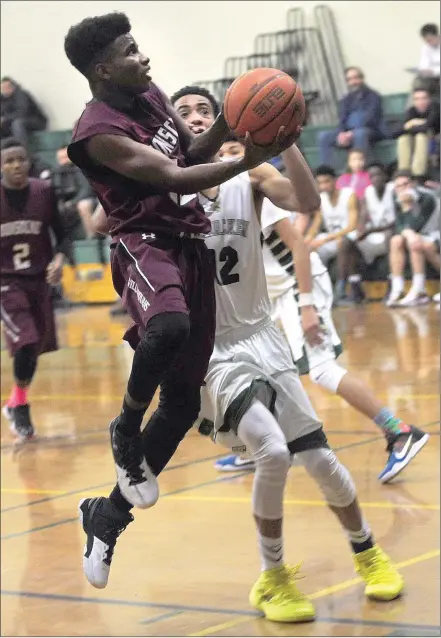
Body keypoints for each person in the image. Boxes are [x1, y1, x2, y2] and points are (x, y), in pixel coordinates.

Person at [82, 86, 404, 621]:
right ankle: (273, 578)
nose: (194, 117)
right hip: (210, 348)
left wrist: (286, 140)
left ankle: (368, 553)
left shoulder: (246, 177)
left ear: (225, 121)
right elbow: (99, 222)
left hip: (263, 335)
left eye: (204, 111)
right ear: (172, 130)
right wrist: (144, 169)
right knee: (273, 453)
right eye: (182, 113)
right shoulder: (163, 188)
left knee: (321, 459)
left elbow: (307, 202)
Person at [64, 12, 292, 533]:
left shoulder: (149, 95)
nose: (143, 57)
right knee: (169, 325)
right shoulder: (97, 133)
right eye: (129, 52)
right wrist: (249, 156)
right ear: (102, 69)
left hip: (190, 241)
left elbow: (189, 150)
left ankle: (106, 520)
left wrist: (231, 120)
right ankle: (125, 424)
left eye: (139, 47)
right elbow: (174, 174)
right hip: (144, 241)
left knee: (183, 404)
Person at [211, 139, 429, 483]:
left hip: (300, 283)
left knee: (323, 369)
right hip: (272, 295)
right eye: (224, 151)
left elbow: (298, 244)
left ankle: (400, 431)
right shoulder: (218, 196)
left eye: (237, 150)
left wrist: (307, 304)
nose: (229, 156)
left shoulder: (252, 187)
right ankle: (260, 446)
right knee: (261, 370)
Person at [1, 137, 67, 438]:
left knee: (35, 347)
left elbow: (62, 234)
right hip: (6, 282)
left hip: (39, 280)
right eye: (9, 161)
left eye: (20, 159)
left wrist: (59, 260)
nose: (16, 165)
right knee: (25, 342)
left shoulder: (43, 192)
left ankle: (15, 401)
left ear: (28, 162)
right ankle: (22, 406)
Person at [337, 162, 396, 303]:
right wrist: (361, 229)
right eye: (372, 176)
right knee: (347, 241)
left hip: (390, 233)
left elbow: (396, 222)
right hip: (374, 233)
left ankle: (392, 284)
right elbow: (363, 215)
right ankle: (352, 286)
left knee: (390, 237)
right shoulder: (367, 192)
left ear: (385, 176)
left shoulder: (392, 189)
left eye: (378, 175)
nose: (375, 178)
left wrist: (369, 230)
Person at [305, 165, 360, 304]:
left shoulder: (349, 195)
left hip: (351, 236)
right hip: (332, 238)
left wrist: (326, 240)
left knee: (343, 242)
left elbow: (352, 226)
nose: (323, 186)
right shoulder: (321, 198)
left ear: (335, 180)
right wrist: (308, 239)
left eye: (327, 181)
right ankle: (315, 292)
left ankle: (340, 290)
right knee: (307, 248)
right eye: (320, 183)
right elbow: (316, 224)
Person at [386, 171, 440, 307]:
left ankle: (419, 290)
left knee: (416, 243)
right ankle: (398, 289)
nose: (403, 188)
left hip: (435, 232)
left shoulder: (427, 198)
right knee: (395, 241)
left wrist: (406, 208)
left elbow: (419, 225)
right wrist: (408, 233)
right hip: (418, 235)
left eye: (406, 184)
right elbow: (398, 225)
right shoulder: (396, 197)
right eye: (398, 186)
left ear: (414, 184)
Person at [318, 67, 387, 166]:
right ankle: (328, 170)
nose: (353, 82)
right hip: (348, 133)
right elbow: (342, 119)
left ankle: (360, 169)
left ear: (362, 79)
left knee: (360, 134)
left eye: (356, 78)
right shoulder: (346, 99)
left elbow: (371, 118)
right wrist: (341, 133)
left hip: (370, 130)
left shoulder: (374, 96)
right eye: (350, 79)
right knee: (324, 136)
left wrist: (351, 133)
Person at [52, 145, 97, 240]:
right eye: (60, 158)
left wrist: (73, 202)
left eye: (65, 157)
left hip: (90, 199)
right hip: (70, 202)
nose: (63, 161)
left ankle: (92, 238)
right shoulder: (57, 172)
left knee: (83, 205)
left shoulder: (81, 167)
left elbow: (87, 190)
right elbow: (57, 191)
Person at [395, 89, 440, 180]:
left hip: (434, 141)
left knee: (421, 137)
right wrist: (411, 124)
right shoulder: (412, 111)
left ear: (429, 99)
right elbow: (396, 132)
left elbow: (427, 128)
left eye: (424, 98)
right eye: (417, 99)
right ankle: (404, 171)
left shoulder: (435, 108)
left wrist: (411, 125)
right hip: (418, 141)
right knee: (403, 138)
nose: (421, 102)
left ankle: (418, 174)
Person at [0, 77, 47, 150]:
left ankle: (22, 150)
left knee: (17, 123)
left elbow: (22, 113)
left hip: (35, 121)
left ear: (13, 86)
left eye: (7, 87)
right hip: (13, 124)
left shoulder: (21, 95)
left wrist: (5, 119)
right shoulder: (2, 99)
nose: (5, 90)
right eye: (3, 88)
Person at [416, 23, 440, 95]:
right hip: (432, 76)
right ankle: (414, 106)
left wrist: (433, 71)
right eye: (426, 41)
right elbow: (423, 63)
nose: (428, 43)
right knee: (417, 82)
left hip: (437, 74)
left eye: (430, 40)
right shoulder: (426, 47)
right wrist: (423, 70)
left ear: (437, 36)